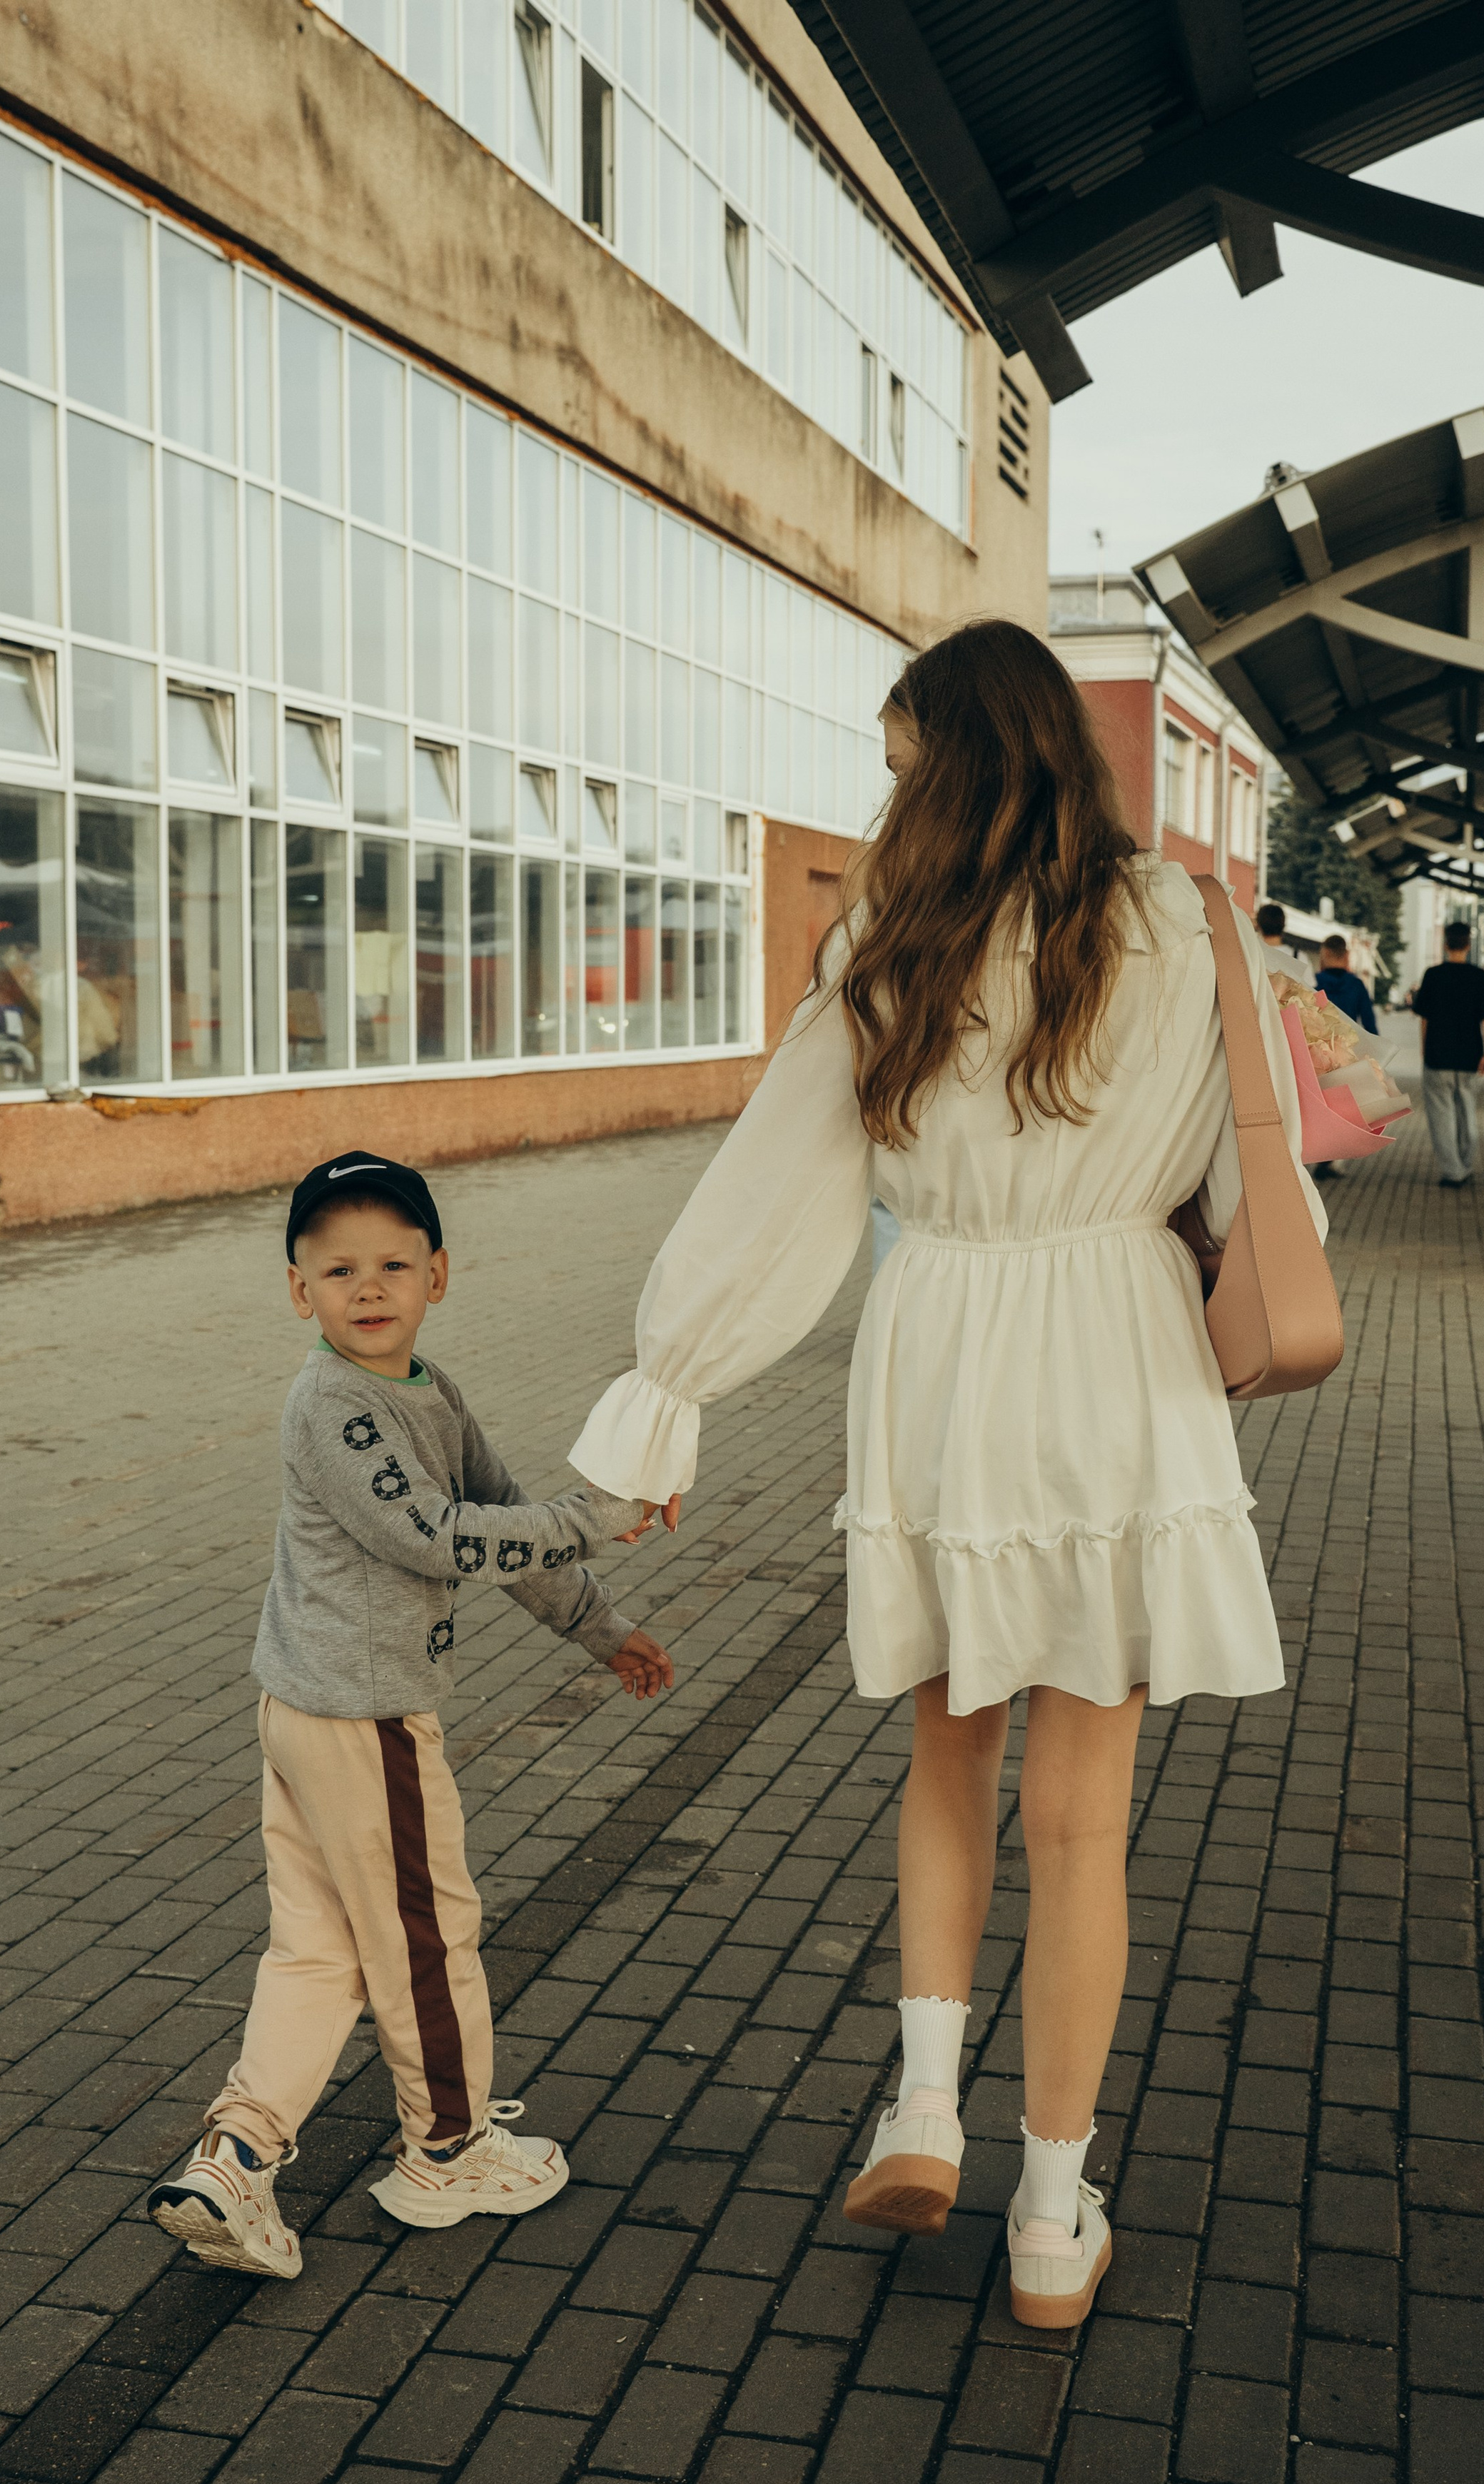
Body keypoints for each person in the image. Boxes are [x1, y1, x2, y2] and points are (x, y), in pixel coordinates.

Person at [570, 621, 1322, 2333]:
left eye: (902, 759)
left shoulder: (884, 944)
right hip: (1116, 1355)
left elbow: (777, 1189)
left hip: (939, 1359)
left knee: (944, 1754)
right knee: (1082, 1822)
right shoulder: (1183, 924)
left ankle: (921, 2101)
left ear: (948, 758)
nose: (892, 786)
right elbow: (1263, 1184)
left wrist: (665, 1388)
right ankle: (1052, 2213)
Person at [147, 1152, 672, 2279]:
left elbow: (495, 1519)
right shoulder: (335, 1403)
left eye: (393, 1263)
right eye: (340, 1270)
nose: (369, 1286)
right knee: (427, 1938)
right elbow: (433, 1538)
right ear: (301, 1291)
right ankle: (448, 2149)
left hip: (311, 1711)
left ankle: (234, 2160)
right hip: (361, 1718)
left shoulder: (427, 1389)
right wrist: (594, 1517)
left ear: (439, 1273)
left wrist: (602, 1628)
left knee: (318, 1950)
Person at [1413, 921, 1484, 1188]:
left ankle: (1454, 1172)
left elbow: (1424, 1019)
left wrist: (1424, 1048)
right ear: (1468, 945)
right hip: (1469, 1057)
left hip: (1438, 1057)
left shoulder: (1433, 975)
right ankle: (1465, 1162)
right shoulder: (1479, 977)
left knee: (1442, 1116)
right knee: (1467, 1112)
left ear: (1446, 944)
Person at [1308, 935, 1378, 1182]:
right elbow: (1369, 1023)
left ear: (1324, 955)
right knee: (1344, 1108)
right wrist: (1372, 1056)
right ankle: (1333, 1158)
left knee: (1320, 1105)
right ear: (1347, 956)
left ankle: (1321, 1156)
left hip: (1316, 1054)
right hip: (1347, 1053)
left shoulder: (1313, 982)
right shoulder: (1357, 985)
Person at [1256, 902, 1314, 987]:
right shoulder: (1299, 957)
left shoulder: (1253, 955)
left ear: (1258, 925)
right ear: (1283, 925)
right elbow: (1310, 992)